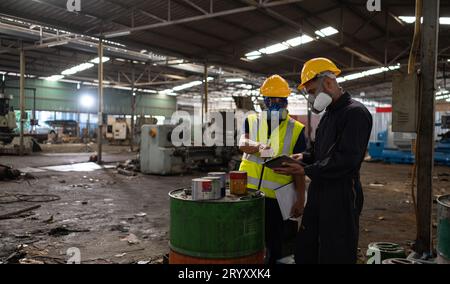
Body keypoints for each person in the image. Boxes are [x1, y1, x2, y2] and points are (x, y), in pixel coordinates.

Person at [273, 58, 373, 264]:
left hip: (342, 193)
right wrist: (303, 157)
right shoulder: (329, 116)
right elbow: (320, 152)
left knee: (336, 249)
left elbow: (345, 160)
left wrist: (305, 171)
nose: (310, 98)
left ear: (328, 83)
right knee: (308, 244)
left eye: (311, 92)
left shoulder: (355, 113)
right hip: (320, 189)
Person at [238, 74, 307, 264]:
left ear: (286, 101)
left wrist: (300, 199)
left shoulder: (297, 129)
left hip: (277, 198)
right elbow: (242, 143)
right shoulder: (251, 120)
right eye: (271, 99)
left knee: (276, 247)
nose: (275, 103)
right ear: (264, 101)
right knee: (246, 241)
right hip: (248, 194)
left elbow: (298, 169)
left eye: (279, 99)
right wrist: (259, 147)